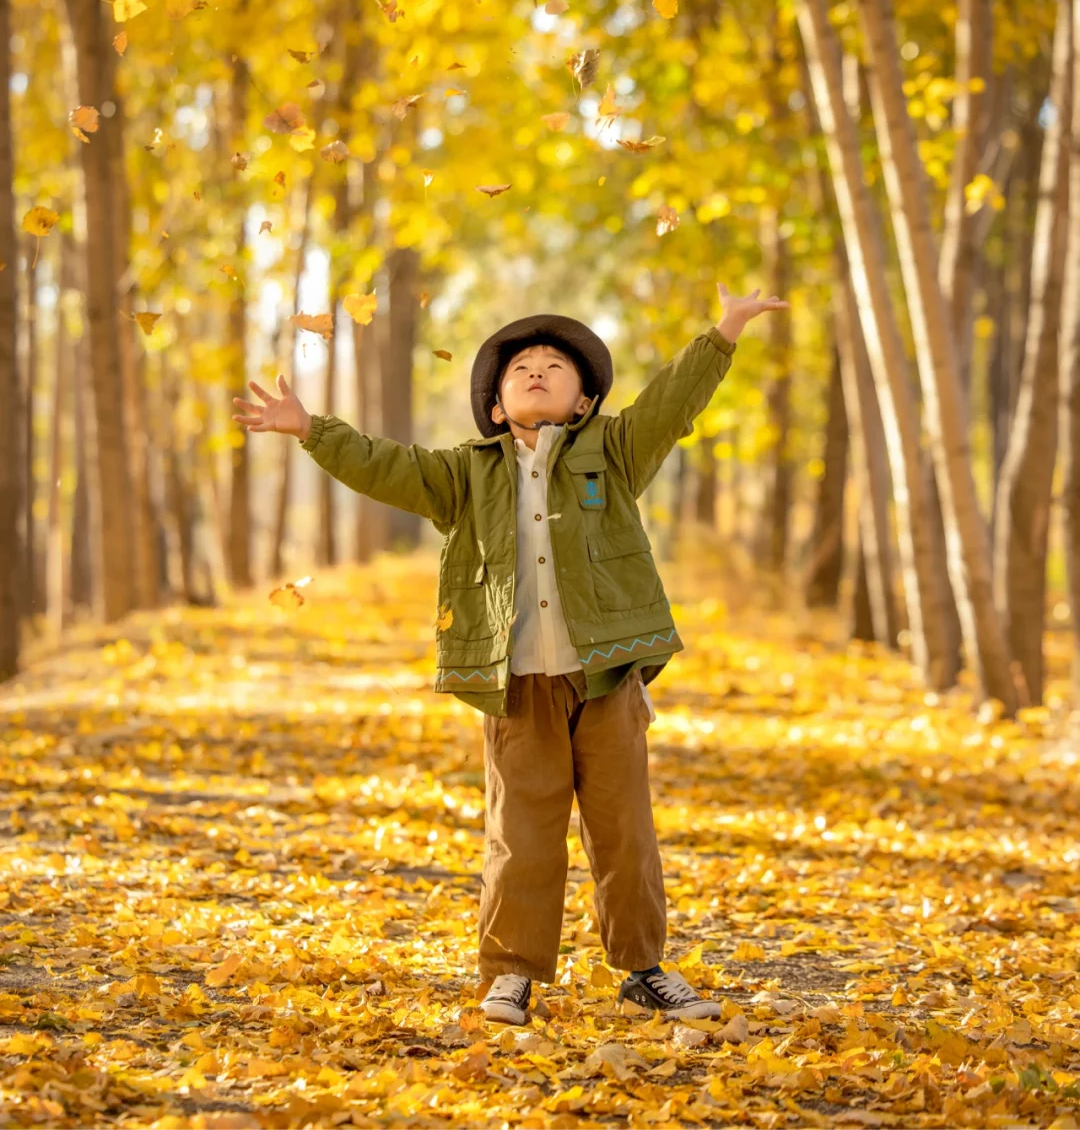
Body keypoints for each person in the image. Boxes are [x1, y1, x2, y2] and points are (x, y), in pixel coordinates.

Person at [233, 281, 789, 1024]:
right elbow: (382, 463)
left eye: (555, 368)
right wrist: (311, 428)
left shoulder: (615, 453)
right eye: (520, 366)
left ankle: (643, 967)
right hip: (517, 684)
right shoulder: (464, 475)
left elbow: (671, 401)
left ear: (583, 401)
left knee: (624, 831)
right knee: (521, 834)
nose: (536, 371)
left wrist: (724, 328)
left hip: (607, 678)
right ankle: (512, 973)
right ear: (496, 405)